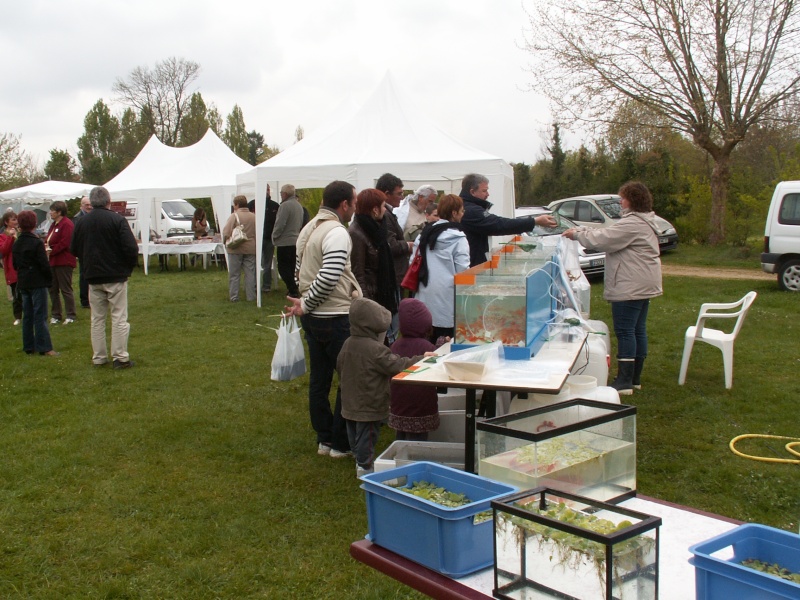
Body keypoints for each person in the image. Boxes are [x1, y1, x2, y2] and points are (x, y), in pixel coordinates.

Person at [285, 180, 362, 458]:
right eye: (353, 203)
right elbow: (329, 275)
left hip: (315, 315)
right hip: (334, 316)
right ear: (344, 205)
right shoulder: (337, 232)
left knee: (319, 379)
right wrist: (306, 303)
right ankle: (340, 443)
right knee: (347, 379)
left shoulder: (309, 227)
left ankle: (325, 438)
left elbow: (297, 269)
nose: (354, 209)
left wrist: (305, 300)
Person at [563, 181, 663, 394]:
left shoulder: (633, 223)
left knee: (626, 330)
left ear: (632, 200)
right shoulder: (640, 221)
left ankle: (625, 381)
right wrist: (582, 229)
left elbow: (603, 239)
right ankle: (634, 378)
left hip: (630, 284)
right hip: (641, 282)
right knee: (637, 329)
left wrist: (576, 234)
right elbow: (607, 231)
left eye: (623, 198)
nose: (620, 201)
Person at [337, 297, 427, 476]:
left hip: (349, 401)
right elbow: (398, 365)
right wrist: (423, 358)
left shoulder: (348, 343)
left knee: (354, 433)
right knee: (368, 436)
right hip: (370, 403)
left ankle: (359, 458)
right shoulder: (375, 350)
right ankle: (365, 467)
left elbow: (340, 365)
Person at [71, 186, 139, 368]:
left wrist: (86, 262)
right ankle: (120, 356)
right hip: (115, 275)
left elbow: (74, 249)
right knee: (118, 317)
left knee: (97, 318)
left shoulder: (82, 223)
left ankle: (99, 356)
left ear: (91, 203)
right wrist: (127, 266)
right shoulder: (117, 220)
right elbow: (131, 248)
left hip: (92, 276)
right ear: (109, 201)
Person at [459, 173, 556, 267]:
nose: (488, 194)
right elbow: (499, 224)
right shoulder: (471, 211)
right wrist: (534, 221)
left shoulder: (468, 207)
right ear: (472, 192)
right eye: (484, 191)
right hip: (469, 267)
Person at [413, 194, 470, 341]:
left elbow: (413, 262)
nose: (463, 214)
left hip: (424, 296)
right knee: (444, 347)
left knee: (425, 347)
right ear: (454, 213)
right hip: (448, 302)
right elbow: (463, 273)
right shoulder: (458, 238)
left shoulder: (423, 234)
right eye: (462, 211)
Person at [389, 298, 440, 441]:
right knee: (418, 443)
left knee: (400, 439)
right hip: (421, 405)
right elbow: (437, 362)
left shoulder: (395, 346)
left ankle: (399, 459)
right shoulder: (427, 347)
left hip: (399, 404)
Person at [12, 210, 57, 356]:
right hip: (37, 281)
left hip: (23, 281)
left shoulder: (17, 242)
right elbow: (44, 265)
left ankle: (29, 346)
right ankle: (44, 347)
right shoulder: (36, 242)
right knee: (40, 314)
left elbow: (14, 264)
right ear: (34, 223)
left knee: (28, 315)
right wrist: (49, 279)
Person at [348, 188, 398, 318]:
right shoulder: (357, 233)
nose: (385, 209)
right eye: (383, 206)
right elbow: (357, 273)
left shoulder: (378, 228)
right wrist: (366, 306)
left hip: (380, 292)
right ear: (375, 210)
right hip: (370, 297)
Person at [45, 200, 77, 324]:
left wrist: (51, 251)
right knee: (53, 289)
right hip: (53, 261)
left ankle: (70, 315)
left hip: (64, 261)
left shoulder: (67, 224)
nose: (50, 213)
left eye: (53, 210)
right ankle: (56, 314)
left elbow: (65, 242)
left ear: (59, 212)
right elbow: (49, 239)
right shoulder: (54, 225)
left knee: (65, 288)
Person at [272, 184, 304, 298]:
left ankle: (293, 288)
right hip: (295, 240)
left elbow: (280, 223)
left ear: (284, 194)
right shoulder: (299, 206)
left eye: (281, 193)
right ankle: (292, 288)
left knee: (283, 267)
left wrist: (274, 236)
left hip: (284, 241)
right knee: (291, 266)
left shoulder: (285, 206)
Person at [223, 195, 257, 302]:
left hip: (235, 248)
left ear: (237, 204)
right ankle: (251, 296)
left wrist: (225, 242)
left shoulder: (234, 216)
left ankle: (234, 297)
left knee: (234, 274)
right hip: (251, 248)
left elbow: (226, 231)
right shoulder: (254, 216)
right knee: (250, 274)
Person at [250, 186, 280, 293]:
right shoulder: (252, 204)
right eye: (264, 189)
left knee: (268, 263)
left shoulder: (275, 206)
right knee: (255, 262)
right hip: (255, 239)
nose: (266, 191)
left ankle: (267, 285)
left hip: (269, 239)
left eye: (267, 189)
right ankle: (254, 285)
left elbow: (278, 222)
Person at [0, 211, 23, 325]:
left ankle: (29, 314)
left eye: (16, 219)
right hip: (12, 268)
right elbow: (3, 251)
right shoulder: (2, 236)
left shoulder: (21, 232)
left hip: (23, 267)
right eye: (13, 219)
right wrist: (11, 238)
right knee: (16, 294)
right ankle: (18, 316)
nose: (16, 221)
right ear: (6, 222)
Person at [71, 196, 92, 308]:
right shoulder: (77, 218)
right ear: (81, 206)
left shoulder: (93, 216)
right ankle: (85, 300)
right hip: (83, 251)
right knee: (84, 275)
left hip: (92, 250)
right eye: (86, 205)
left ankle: (91, 298)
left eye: (90, 204)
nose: (89, 206)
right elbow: (76, 237)